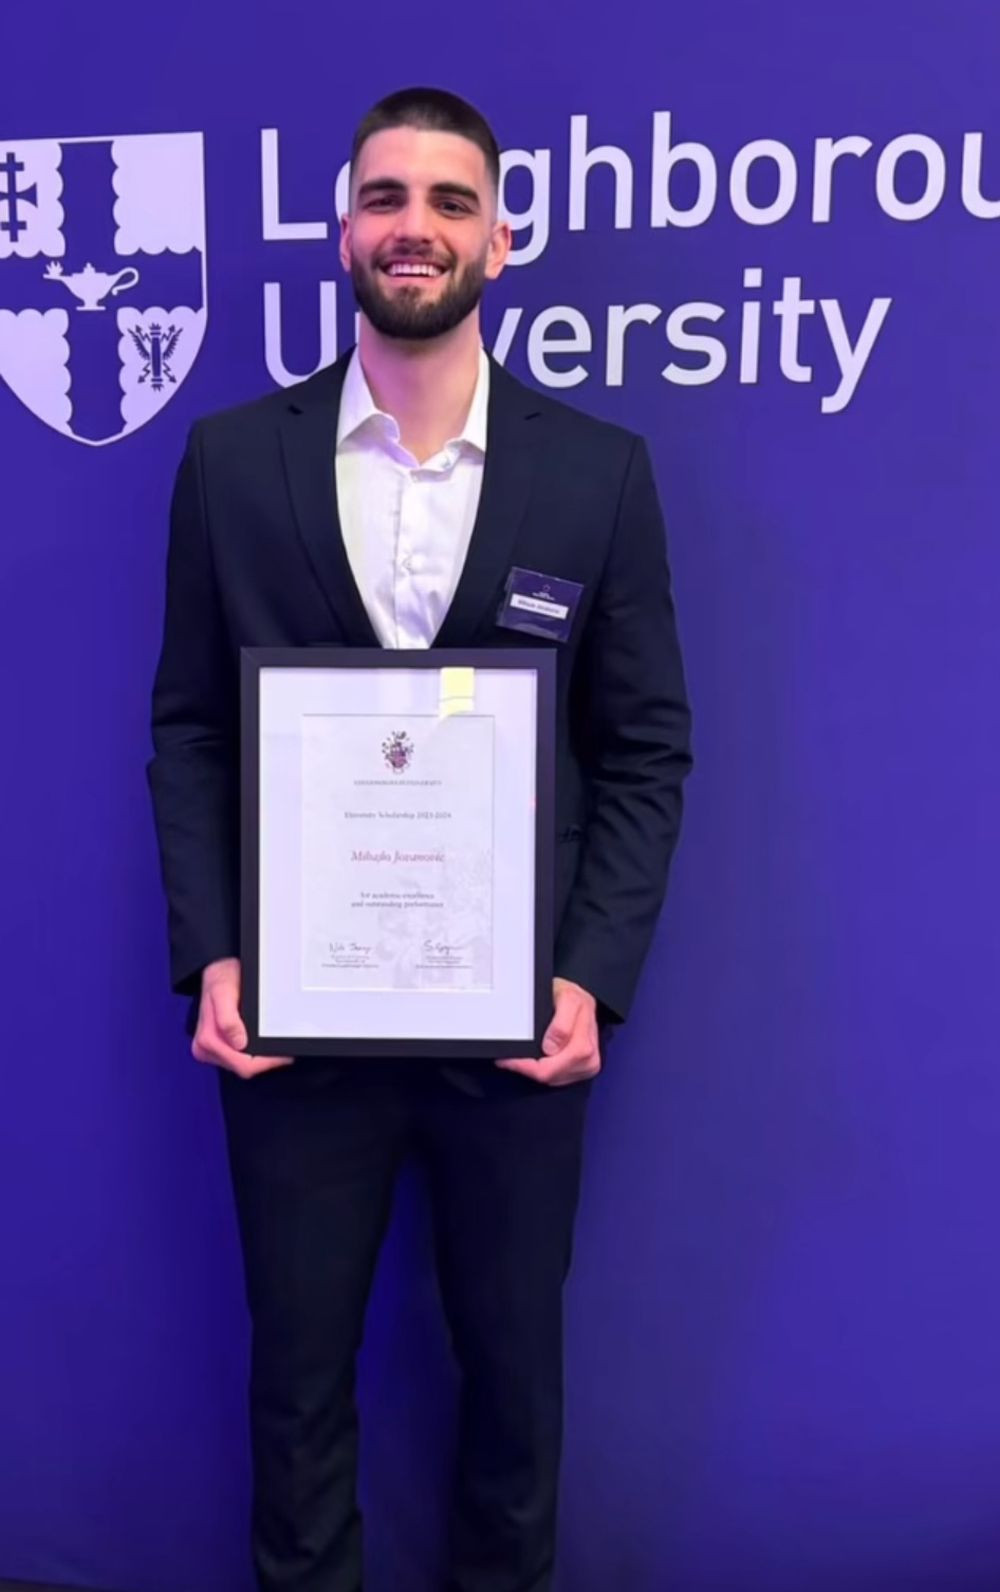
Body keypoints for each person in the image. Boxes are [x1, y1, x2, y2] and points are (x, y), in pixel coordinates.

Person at [148, 85, 692, 1592]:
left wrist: (588, 979)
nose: (416, 227)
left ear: (500, 243)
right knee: (296, 1390)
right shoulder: (228, 460)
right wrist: (216, 955)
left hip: (515, 1031)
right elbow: (191, 729)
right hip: (294, 1027)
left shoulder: (597, 474)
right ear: (343, 231)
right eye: (386, 197)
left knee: (513, 1391)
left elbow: (645, 750)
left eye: (453, 202)